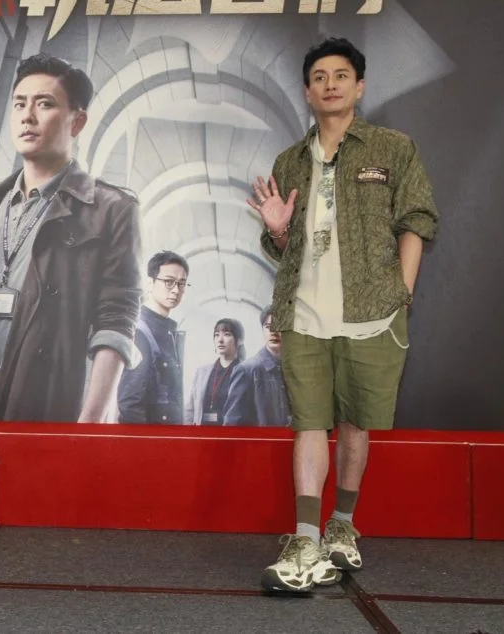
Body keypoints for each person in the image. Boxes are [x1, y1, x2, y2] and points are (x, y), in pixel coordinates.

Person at [249, 37, 439, 592]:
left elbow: (417, 219)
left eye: (340, 75)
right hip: (304, 312)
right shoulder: (289, 161)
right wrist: (277, 230)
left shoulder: (392, 148)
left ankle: (342, 523)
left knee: (357, 423)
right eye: (319, 77)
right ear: (307, 92)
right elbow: (281, 249)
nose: (329, 84)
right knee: (309, 423)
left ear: (359, 87)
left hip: (371, 313)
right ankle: (306, 539)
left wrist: (402, 293)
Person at [0, 54, 143, 423]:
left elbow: (117, 317)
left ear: (77, 121)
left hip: (33, 406)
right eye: (19, 104)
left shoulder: (111, 209)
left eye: (44, 104)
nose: (27, 116)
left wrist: (90, 422)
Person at [117, 251, 189, 425]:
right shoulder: (139, 332)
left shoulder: (168, 332)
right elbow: (130, 405)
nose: (176, 290)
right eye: (169, 282)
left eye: (181, 283)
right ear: (150, 283)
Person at [223, 308, 290, 427]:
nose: (273, 331)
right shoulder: (245, 370)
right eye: (268, 327)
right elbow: (231, 424)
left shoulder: (298, 370)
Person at [184, 318, 244, 426]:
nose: (220, 340)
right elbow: (190, 409)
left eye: (227, 334)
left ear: (239, 341)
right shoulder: (201, 372)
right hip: (202, 432)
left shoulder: (246, 373)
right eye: (216, 335)